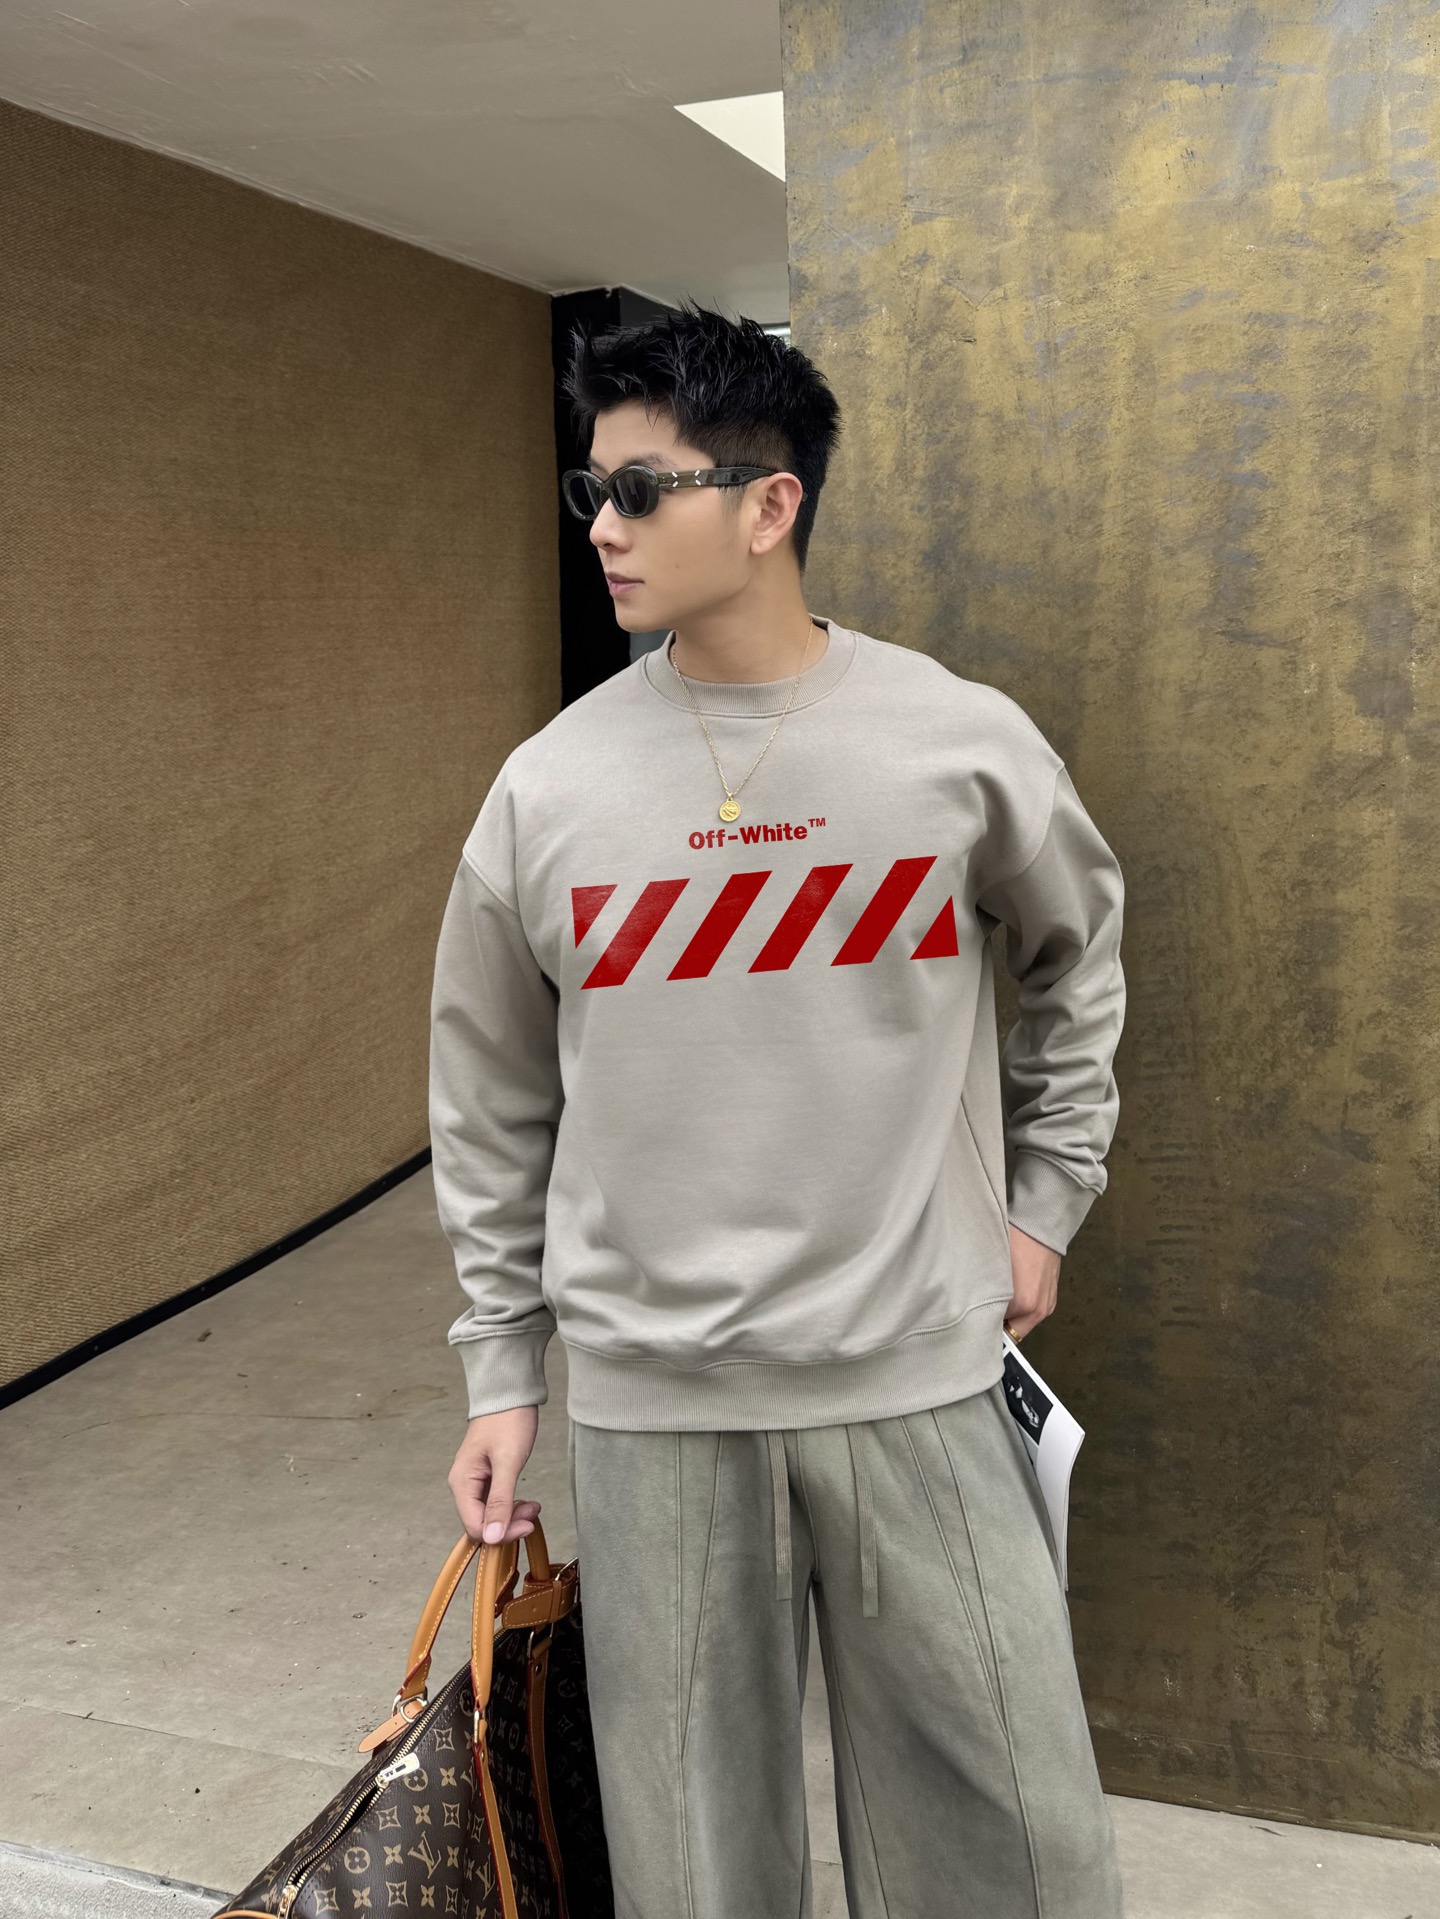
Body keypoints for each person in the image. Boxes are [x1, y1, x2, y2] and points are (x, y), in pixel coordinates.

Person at [429, 298, 1128, 1919]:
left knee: (1012, 1847)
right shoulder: (549, 788)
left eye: (639, 489)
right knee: (695, 1863)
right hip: (655, 1403)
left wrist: (1046, 1199)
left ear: (769, 505)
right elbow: (488, 1094)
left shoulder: (960, 745)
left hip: (917, 1375)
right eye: (590, 491)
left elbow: (1079, 960)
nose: (602, 527)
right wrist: (499, 1364)